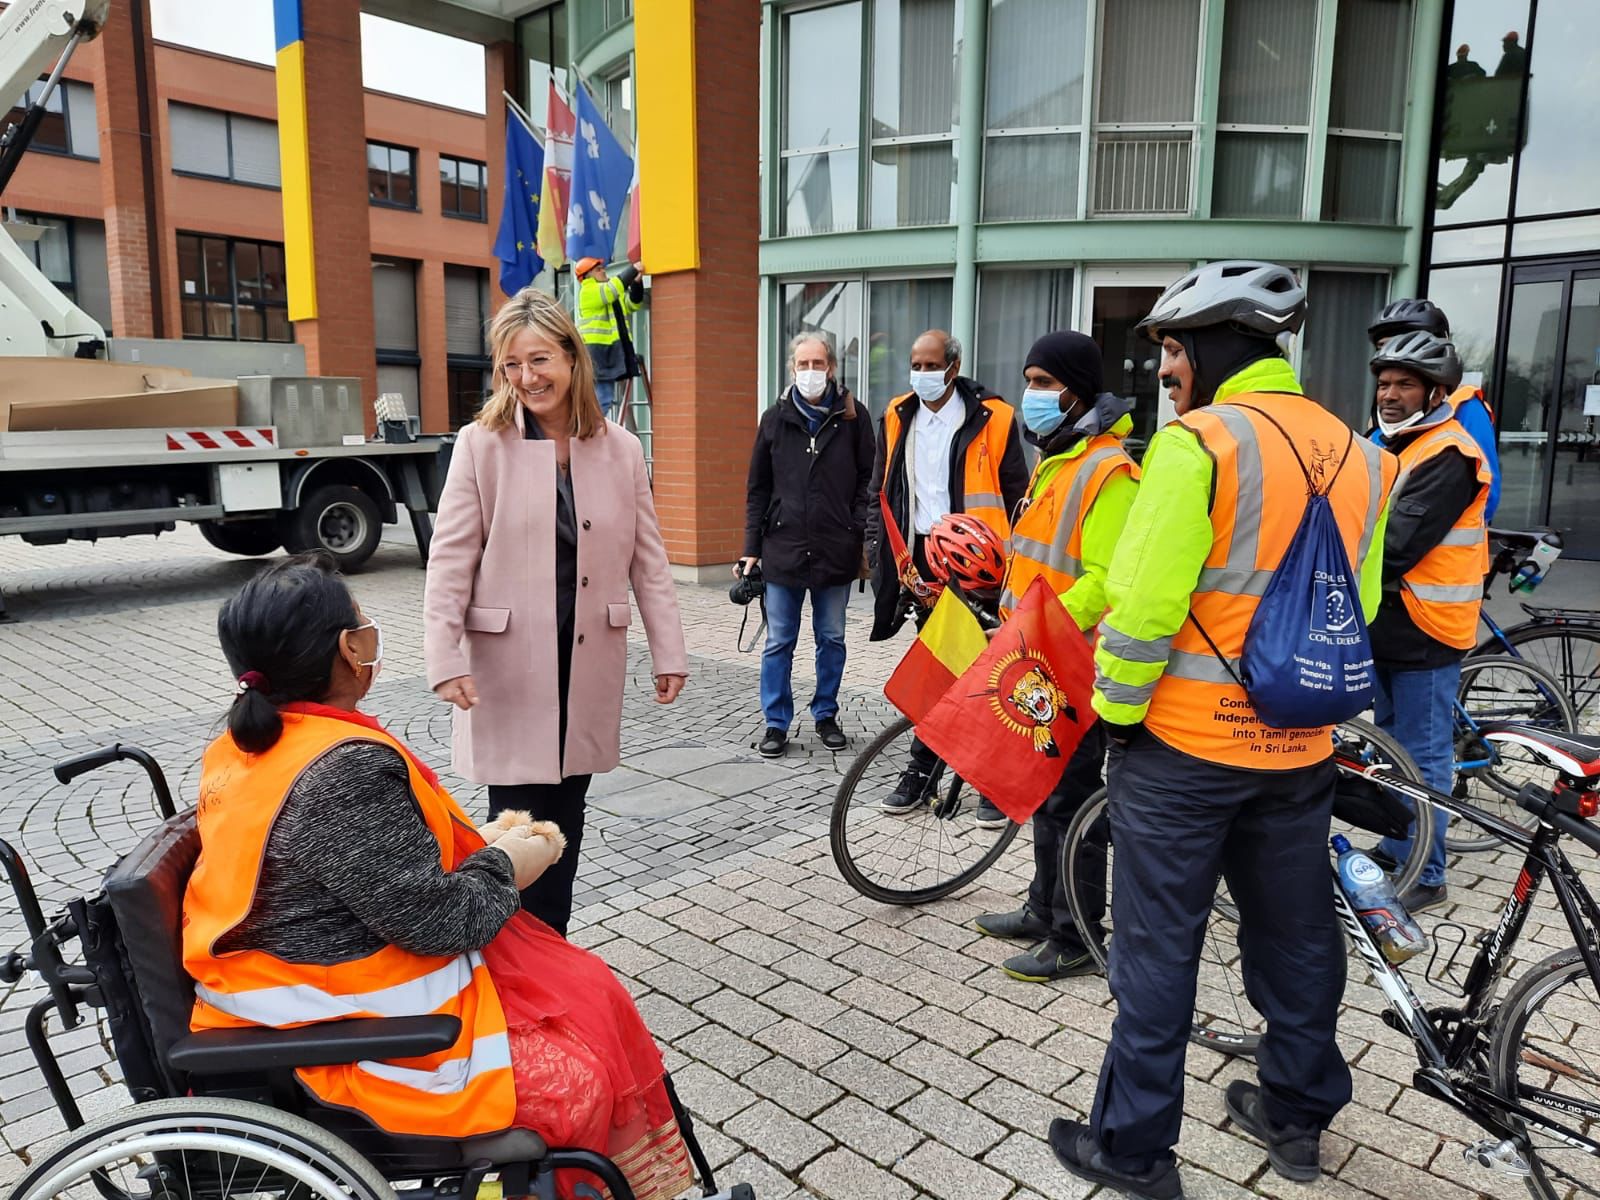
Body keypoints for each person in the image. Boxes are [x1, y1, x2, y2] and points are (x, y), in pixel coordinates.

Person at [184, 556, 694, 1200]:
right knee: (577, 1070)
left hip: (285, 988)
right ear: (349, 649)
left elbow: (385, 879)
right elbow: (442, 923)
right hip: (327, 1025)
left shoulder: (253, 746)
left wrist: (486, 853)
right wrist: (506, 861)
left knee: (585, 988)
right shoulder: (339, 771)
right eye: (364, 626)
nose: (371, 636)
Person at [1053, 262, 1398, 1200]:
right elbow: (1357, 608)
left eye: (1173, 350)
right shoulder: (1367, 457)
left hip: (1184, 752)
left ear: (1210, 347)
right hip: (1299, 750)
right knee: (1296, 938)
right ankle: (1296, 1119)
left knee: (1158, 952)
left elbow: (1145, 608)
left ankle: (1132, 1151)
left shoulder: (1199, 444)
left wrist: (1117, 719)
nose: (1167, 370)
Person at [424, 287, 687, 937]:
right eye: (511, 364)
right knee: (517, 827)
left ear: (572, 357)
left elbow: (648, 558)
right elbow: (451, 559)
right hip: (508, 669)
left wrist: (669, 650)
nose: (527, 376)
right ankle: (517, 955)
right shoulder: (481, 444)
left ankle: (553, 950)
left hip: (586, 662)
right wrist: (445, 657)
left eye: (539, 359)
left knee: (566, 821)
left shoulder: (621, 448)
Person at [971, 331, 1138, 983]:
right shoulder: (1059, 457)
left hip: (1073, 660)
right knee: (1047, 794)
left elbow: (1107, 580)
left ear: (1078, 390)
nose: (1031, 394)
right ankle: (1043, 908)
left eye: (1043, 383)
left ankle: (1076, 935)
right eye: (1029, 380)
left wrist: (1038, 624)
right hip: (1039, 656)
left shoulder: (1109, 471)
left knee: (1072, 802)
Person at [867, 328, 1028, 826]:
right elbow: (880, 490)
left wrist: (1016, 569)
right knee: (941, 669)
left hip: (981, 566)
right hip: (923, 566)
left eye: (931, 365)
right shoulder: (897, 415)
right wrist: (878, 550)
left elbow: (1018, 496)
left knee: (986, 673)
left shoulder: (994, 418)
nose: (921, 374)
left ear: (953, 368)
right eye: (915, 365)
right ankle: (925, 771)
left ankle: (989, 778)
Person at [1364, 331, 1490, 913]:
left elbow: (1396, 544)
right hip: (1390, 625)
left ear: (1436, 392)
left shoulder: (1449, 454)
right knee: (1393, 750)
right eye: (1384, 384)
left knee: (1424, 756)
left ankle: (1429, 873)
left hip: (1428, 629)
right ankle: (1400, 848)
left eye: (1405, 385)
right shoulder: (1393, 444)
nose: (1389, 395)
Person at [740, 331, 875, 758]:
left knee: (831, 637)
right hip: (783, 549)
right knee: (779, 641)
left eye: (818, 364)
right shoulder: (774, 419)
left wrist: (856, 527)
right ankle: (776, 723)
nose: (811, 371)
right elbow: (757, 488)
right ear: (792, 369)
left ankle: (826, 714)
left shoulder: (854, 418)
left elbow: (869, 480)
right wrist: (750, 548)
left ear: (831, 368)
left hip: (836, 549)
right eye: (804, 364)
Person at [1369, 297, 1500, 521]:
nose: (1390, 353)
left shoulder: (1466, 408)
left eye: (1400, 343)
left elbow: (1487, 493)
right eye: (1382, 346)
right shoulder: (1390, 411)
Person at [574, 256, 645, 418]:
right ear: (587, 276)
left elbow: (632, 304)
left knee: (606, 398)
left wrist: (636, 283)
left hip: (610, 352)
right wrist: (633, 269)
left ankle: (595, 427)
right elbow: (612, 289)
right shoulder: (589, 291)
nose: (603, 271)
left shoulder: (607, 294)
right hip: (597, 354)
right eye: (598, 270)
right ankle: (591, 429)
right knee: (603, 398)